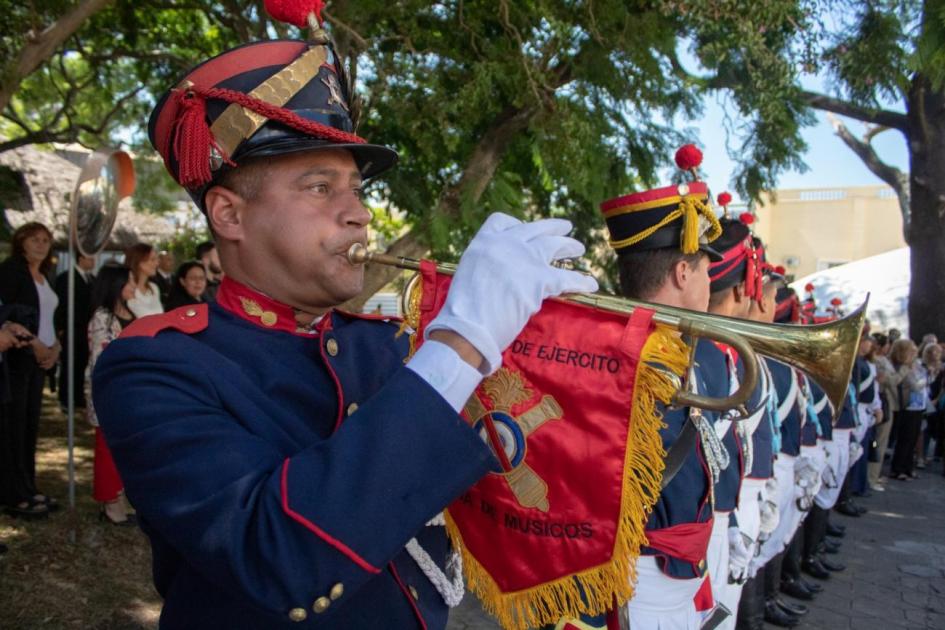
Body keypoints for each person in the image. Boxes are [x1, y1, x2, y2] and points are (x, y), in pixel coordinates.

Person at [92, 26, 595, 629]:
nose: (358, 213)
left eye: (355, 189)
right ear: (228, 213)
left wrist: (595, 367)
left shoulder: (382, 342)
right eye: (319, 187)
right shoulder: (154, 366)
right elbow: (276, 554)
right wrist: (462, 340)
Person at [597, 147, 723, 629]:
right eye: (706, 269)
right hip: (639, 590)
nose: (710, 282)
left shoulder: (669, 352)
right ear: (682, 272)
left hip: (676, 582)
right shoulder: (630, 361)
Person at [0, 222, 61, 518]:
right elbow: (9, 316)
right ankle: (14, 493)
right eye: (34, 239)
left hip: (41, 359)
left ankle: (28, 486)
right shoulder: (11, 272)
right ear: (21, 241)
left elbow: (51, 318)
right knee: (14, 426)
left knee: (30, 425)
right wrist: (35, 343)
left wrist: (55, 348)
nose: (41, 244)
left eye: (46, 240)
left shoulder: (45, 276)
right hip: (18, 359)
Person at [85, 265, 137, 526]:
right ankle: (110, 504)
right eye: (129, 281)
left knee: (123, 448)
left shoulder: (127, 312)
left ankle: (120, 495)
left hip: (130, 392)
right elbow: (99, 360)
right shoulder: (102, 318)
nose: (134, 286)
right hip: (110, 392)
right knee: (107, 449)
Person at [54, 252, 96, 410]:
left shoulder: (92, 279)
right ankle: (65, 398)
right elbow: (61, 304)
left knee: (81, 363)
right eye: (90, 257)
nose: (93, 261)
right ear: (81, 258)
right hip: (71, 328)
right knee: (69, 364)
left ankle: (77, 397)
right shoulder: (66, 278)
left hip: (86, 329)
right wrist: (61, 328)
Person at [890, 339, 924, 480]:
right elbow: (914, 384)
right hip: (906, 406)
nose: (914, 354)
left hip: (918, 406)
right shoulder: (900, 367)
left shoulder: (915, 365)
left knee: (913, 438)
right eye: (912, 352)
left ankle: (908, 467)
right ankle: (898, 469)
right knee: (905, 438)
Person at [871, 332, 898, 491]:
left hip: (886, 401)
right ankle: (872, 477)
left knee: (881, 441)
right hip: (881, 401)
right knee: (879, 442)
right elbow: (889, 380)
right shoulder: (877, 361)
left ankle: (875, 475)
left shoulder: (884, 360)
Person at [124, 243, 164, 318]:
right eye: (152, 260)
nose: (157, 263)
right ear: (139, 262)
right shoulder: (128, 290)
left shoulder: (154, 288)